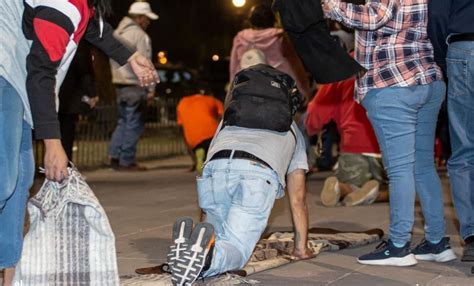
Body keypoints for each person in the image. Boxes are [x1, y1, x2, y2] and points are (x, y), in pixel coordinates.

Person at [0, 0, 158, 285]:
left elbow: (93, 25)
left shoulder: (81, 6)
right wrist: (52, 143)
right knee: (3, 179)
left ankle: (10, 276)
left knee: (19, 181)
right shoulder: (63, 5)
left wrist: (130, 56)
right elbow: (41, 74)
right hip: (5, 73)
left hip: (15, 73)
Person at [323, 0, 456, 266]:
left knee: (400, 170)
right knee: (422, 166)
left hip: (392, 82)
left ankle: (398, 246)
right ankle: (437, 242)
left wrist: (332, 7)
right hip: (427, 79)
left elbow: (376, 16)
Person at [165, 65, 314, 285]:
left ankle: (196, 251)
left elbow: (211, 163)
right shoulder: (292, 132)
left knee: (215, 235)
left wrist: (206, 226)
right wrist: (301, 248)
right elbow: (298, 199)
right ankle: (207, 258)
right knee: (236, 249)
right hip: (256, 174)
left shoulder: (229, 119)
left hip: (217, 168)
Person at [428, 0, 474, 262]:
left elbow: (436, 15)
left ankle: (472, 235)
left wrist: (443, 60)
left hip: (464, 47)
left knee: (465, 148)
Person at [305, 76, 388, 207]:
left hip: (353, 143)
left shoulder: (341, 70)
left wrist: (311, 128)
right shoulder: (389, 61)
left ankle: (343, 188)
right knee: (398, 186)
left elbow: (317, 108)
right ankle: (376, 194)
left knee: (351, 181)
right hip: (387, 142)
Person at [108, 1, 158, 171]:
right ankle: (127, 160)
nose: (148, 22)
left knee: (122, 121)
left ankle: (114, 156)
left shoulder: (117, 32)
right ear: (139, 18)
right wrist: (150, 89)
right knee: (134, 123)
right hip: (135, 85)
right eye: (146, 18)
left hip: (119, 83)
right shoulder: (140, 35)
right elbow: (145, 62)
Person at [229, 4, 311, 99]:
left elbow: (233, 67)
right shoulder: (279, 37)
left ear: (251, 20)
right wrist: (304, 90)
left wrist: (232, 93)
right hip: (278, 93)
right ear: (273, 19)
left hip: (247, 92)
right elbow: (295, 65)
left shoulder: (240, 38)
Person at [58, 43, 98, 161]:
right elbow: (85, 70)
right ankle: (64, 169)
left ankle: (57, 168)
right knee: (66, 134)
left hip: (54, 92)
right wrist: (91, 92)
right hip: (69, 95)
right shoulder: (77, 43)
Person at [177, 91, 224, 175]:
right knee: (214, 154)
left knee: (201, 149)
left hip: (194, 139)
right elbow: (223, 117)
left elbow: (181, 127)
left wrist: (193, 157)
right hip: (212, 134)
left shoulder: (182, 102)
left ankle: (199, 157)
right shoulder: (212, 100)